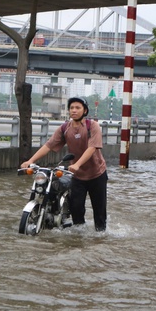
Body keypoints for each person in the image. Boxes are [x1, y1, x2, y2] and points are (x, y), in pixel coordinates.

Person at [21, 97, 108, 231]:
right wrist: (30, 161)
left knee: (99, 211)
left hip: (97, 174)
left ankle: (100, 237)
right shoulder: (64, 128)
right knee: (76, 208)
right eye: (71, 108)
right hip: (78, 176)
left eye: (78, 108)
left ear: (85, 110)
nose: (74, 110)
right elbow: (49, 145)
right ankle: (79, 237)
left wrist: (77, 164)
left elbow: (92, 148)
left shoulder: (92, 126)